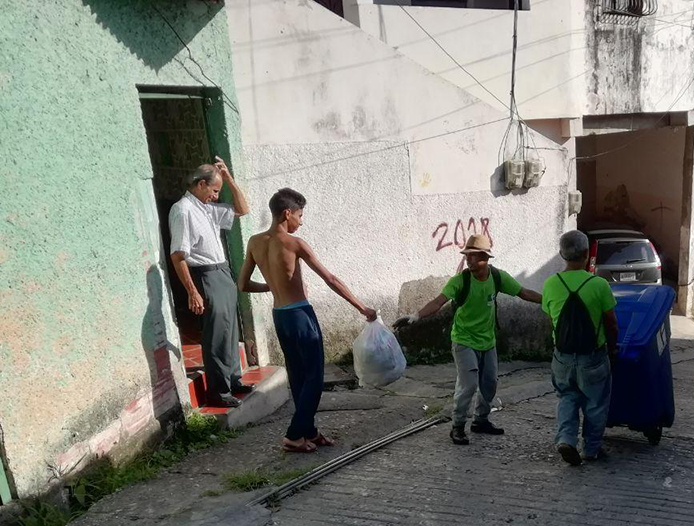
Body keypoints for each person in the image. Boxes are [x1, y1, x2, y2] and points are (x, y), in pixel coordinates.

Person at [237, 188, 377, 453]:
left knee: (299, 377)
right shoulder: (294, 243)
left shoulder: (255, 242)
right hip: (301, 315)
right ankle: (293, 435)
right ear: (287, 213)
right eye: (300, 215)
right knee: (314, 376)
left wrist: (270, 287)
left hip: (280, 316)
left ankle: (309, 431)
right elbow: (331, 279)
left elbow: (242, 284)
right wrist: (361, 307)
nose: (301, 222)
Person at [394, 235, 542, 445]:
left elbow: (524, 292)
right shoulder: (460, 281)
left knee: (490, 383)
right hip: (464, 340)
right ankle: (457, 426)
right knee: (469, 384)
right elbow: (439, 301)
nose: (469, 260)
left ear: (486, 258)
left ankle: (480, 420)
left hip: (488, 341)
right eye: (467, 256)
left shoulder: (498, 278)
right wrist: (415, 317)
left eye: (474, 257)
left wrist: (549, 301)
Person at [169, 158, 252, 408]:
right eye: (214, 190)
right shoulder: (183, 209)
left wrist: (227, 179)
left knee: (229, 331)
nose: (216, 196)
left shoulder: (207, 208)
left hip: (223, 271)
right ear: (201, 184)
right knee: (216, 335)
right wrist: (192, 291)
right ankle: (219, 391)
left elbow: (243, 208)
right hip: (205, 274)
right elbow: (178, 255)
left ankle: (233, 380)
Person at [541, 230, 618, 466]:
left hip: (562, 357)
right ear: (586, 254)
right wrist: (612, 349)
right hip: (592, 357)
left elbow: (551, 320)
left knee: (567, 397)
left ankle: (566, 439)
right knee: (595, 403)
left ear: (562, 254)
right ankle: (591, 449)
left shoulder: (551, 284)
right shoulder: (599, 285)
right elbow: (611, 322)